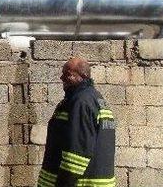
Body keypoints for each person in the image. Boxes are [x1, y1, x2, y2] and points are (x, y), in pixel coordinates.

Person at [37, 57, 116, 187]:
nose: (62, 78)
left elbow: (77, 153)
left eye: (68, 74)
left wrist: (63, 184)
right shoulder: (96, 99)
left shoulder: (81, 102)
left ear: (83, 76)